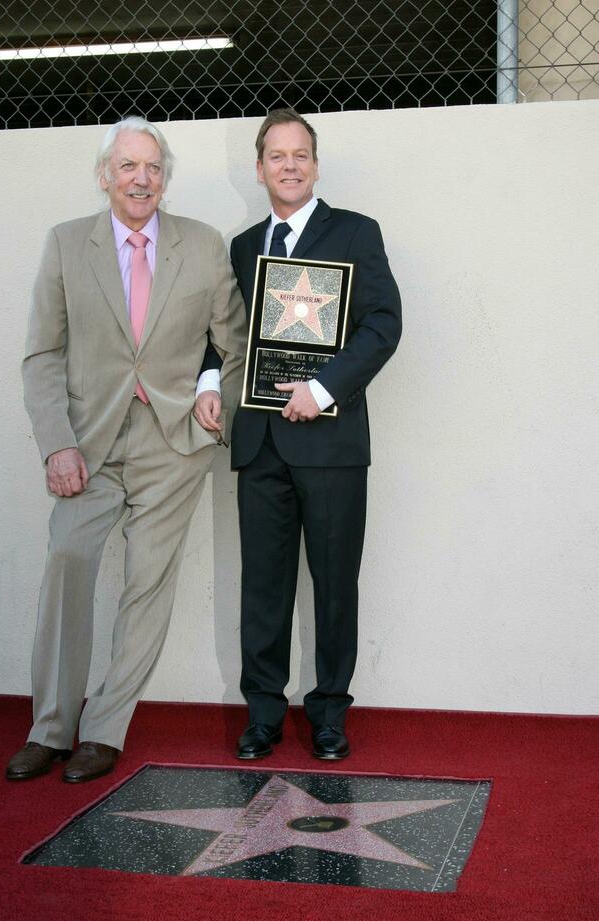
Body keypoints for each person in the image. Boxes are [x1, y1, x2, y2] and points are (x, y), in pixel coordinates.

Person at [6, 117, 246, 783]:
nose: (142, 178)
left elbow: (236, 342)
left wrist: (214, 394)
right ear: (104, 175)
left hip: (173, 442)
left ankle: (104, 729)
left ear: (165, 179)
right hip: (89, 442)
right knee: (67, 559)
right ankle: (50, 726)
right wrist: (56, 444)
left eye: (153, 168)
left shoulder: (202, 246)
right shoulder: (64, 245)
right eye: (129, 166)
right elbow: (42, 355)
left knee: (147, 582)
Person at [228, 107, 402, 761]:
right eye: (278, 156)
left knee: (333, 585)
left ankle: (329, 713)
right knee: (263, 588)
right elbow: (223, 335)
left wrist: (322, 389)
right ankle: (264, 715)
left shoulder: (356, 233)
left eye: (301, 154)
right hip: (261, 445)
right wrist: (207, 386)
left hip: (331, 447)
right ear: (260, 167)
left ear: (316, 164)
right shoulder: (244, 247)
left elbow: (383, 324)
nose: (290, 166)